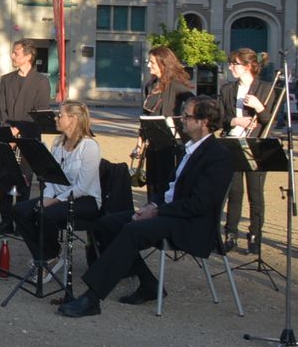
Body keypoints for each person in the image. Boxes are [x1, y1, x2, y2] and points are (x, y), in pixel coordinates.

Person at [59, 96, 232, 317]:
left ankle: (92, 298)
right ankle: (148, 283)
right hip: (170, 213)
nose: (181, 121)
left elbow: (199, 204)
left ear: (204, 121)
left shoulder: (218, 155)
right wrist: (151, 205)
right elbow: (171, 188)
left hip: (191, 223)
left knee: (132, 230)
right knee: (106, 222)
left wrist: (156, 211)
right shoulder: (188, 149)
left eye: (187, 116)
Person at [13, 100, 101, 272]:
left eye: (60, 115)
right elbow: (50, 176)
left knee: (47, 213)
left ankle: (49, 255)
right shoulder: (57, 143)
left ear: (73, 119)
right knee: (20, 210)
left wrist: (54, 201)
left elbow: (82, 187)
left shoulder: (89, 146)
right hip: (58, 196)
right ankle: (46, 254)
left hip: (85, 200)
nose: (56, 119)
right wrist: (46, 196)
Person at [219, 47, 274, 256]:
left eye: (235, 64)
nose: (231, 67)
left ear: (249, 66)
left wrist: (260, 108)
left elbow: (271, 121)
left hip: (257, 146)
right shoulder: (227, 90)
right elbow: (220, 119)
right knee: (234, 193)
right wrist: (235, 120)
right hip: (233, 143)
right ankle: (230, 234)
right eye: (230, 63)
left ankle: (254, 236)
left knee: (256, 194)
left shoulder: (266, 89)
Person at [0, 38, 51, 231]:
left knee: (24, 179)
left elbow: (40, 113)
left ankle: (22, 219)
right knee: (4, 179)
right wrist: (7, 132)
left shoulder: (41, 82)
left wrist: (19, 131)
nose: (12, 55)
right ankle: (6, 219)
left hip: (28, 138)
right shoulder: (6, 80)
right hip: (7, 137)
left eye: (16, 52)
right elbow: (2, 110)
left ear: (28, 56)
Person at [134, 45, 193, 205]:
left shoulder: (177, 85)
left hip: (171, 146)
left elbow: (194, 104)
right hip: (153, 145)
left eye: (151, 62)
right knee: (152, 185)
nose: (148, 65)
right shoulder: (150, 85)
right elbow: (145, 116)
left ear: (163, 64)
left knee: (166, 186)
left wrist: (180, 121)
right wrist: (139, 143)